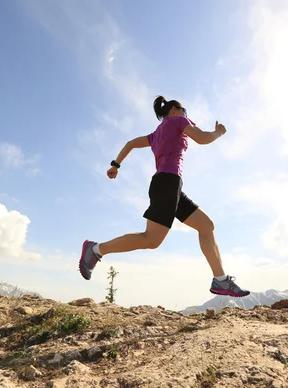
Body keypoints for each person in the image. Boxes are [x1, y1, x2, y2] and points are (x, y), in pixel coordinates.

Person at [79, 95, 250, 297]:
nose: (188, 117)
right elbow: (203, 138)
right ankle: (96, 249)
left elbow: (130, 143)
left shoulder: (155, 134)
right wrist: (219, 132)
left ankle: (221, 280)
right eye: (185, 112)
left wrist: (115, 165)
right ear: (174, 110)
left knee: (206, 226)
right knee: (151, 239)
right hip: (167, 183)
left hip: (171, 186)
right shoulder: (177, 120)